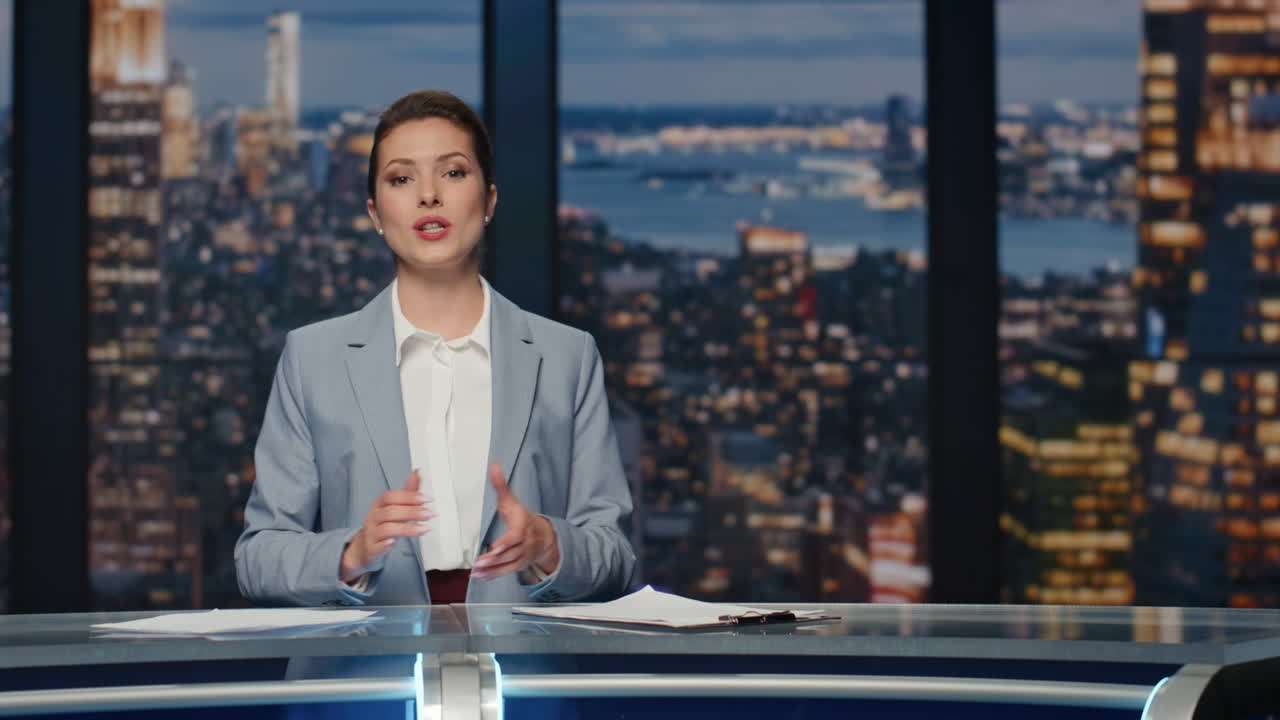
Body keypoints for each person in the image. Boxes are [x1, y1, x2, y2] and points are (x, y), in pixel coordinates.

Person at [235, 89, 635, 606]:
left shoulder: (568, 357)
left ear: (488, 200)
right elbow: (257, 556)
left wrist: (548, 544)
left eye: (452, 173)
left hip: (523, 668)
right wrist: (351, 554)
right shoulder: (313, 359)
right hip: (364, 671)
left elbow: (616, 556)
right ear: (376, 214)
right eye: (402, 179)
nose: (429, 195)